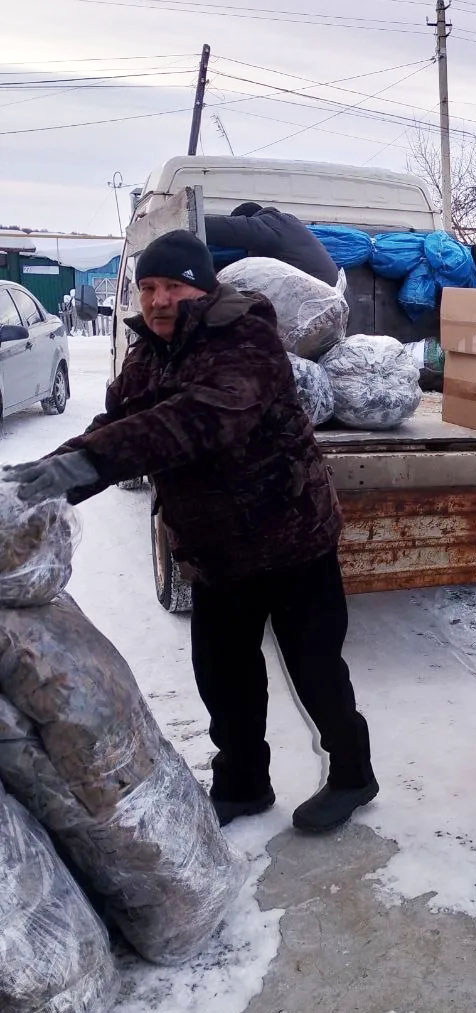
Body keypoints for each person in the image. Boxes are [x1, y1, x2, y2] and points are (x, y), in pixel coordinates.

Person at [1, 230, 377, 831]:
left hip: (291, 539)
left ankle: (354, 775)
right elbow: (120, 423)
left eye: (172, 286)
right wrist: (50, 475)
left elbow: (197, 420)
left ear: (202, 288)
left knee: (316, 668)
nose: (156, 300)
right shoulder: (148, 354)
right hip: (215, 550)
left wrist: (87, 463)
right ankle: (244, 784)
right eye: (148, 288)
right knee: (223, 677)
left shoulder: (247, 337)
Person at [204, 202, 339, 285]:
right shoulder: (289, 225)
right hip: (330, 294)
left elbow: (228, 229)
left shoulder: (269, 224)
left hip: (319, 295)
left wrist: (188, 225)